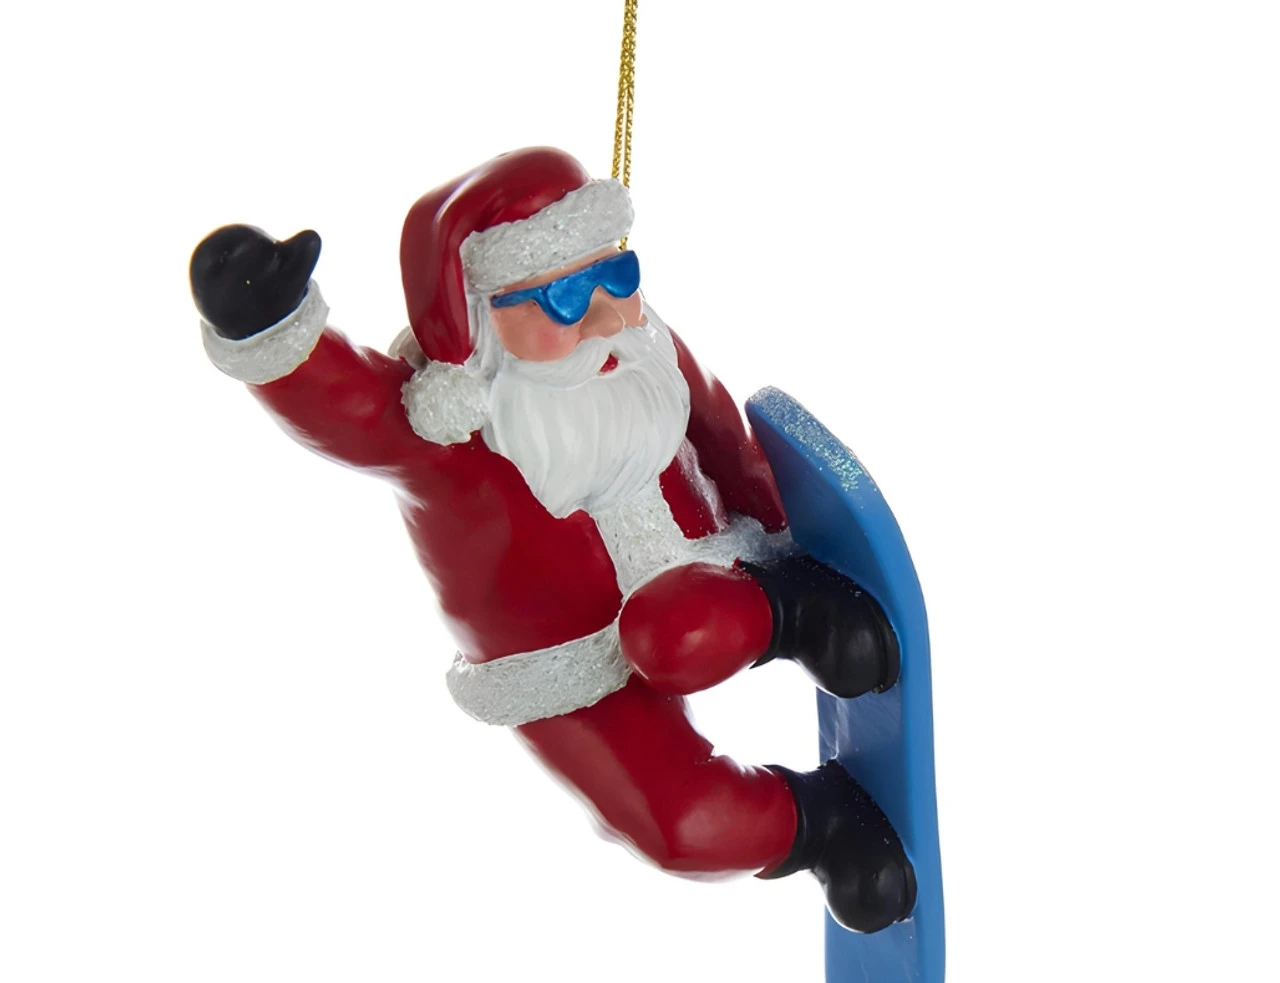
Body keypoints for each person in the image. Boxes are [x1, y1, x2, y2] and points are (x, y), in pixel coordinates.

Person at [189, 146, 915, 932]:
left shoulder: (639, 352)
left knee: (676, 631)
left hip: (709, 584)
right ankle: (823, 827)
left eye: (618, 277)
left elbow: (716, 432)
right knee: (680, 829)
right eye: (563, 299)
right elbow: (345, 406)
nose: (607, 318)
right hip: (559, 665)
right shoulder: (444, 425)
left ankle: (796, 612)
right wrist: (266, 325)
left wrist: (786, 530)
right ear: (481, 321)